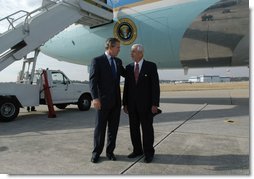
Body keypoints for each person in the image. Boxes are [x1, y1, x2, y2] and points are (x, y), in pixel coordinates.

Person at [89, 37, 125, 163]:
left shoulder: (118, 61)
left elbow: (127, 74)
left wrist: (140, 66)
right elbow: (93, 81)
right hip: (102, 102)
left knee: (113, 129)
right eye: (118, 47)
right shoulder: (97, 61)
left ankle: (110, 152)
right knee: (100, 128)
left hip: (116, 102)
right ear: (110, 47)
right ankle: (96, 153)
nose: (119, 50)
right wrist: (95, 98)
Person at [123, 44, 160, 163]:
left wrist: (155, 104)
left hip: (147, 106)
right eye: (131, 52)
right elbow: (127, 87)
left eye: (133, 52)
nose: (131, 54)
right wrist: (125, 104)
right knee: (134, 129)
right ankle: (137, 150)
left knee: (147, 130)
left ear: (141, 53)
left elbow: (155, 86)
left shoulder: (151, 66)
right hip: (132, 106)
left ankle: (149, 153)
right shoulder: (128, 68)